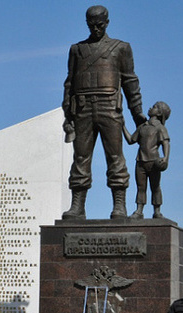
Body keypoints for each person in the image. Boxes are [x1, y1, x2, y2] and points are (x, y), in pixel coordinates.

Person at [62, 5, 146, 220]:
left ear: (107, 22)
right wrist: (67, 115)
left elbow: (130, 82)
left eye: (99, 25)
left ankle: (119, 206)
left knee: (116, 158)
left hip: (110, 107)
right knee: (80, 158)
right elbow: (69, 84)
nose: (96, 29)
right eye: (91, 25)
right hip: (82, 109)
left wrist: (137, 114)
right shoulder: (77, 50)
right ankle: (77, 207)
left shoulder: (121, 48)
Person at [123, 101, 171, 219]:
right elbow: (130, 140)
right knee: (141, 187)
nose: (150, 108)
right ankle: (139, 210)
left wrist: (165, 158)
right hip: (140, 161)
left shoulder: (160, 128)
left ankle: (157, 211)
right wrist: (122, 126)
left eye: (154, 107)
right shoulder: (142, 127)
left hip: (154, 162)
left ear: (159, 113)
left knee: (155, 187)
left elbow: (166, 143)